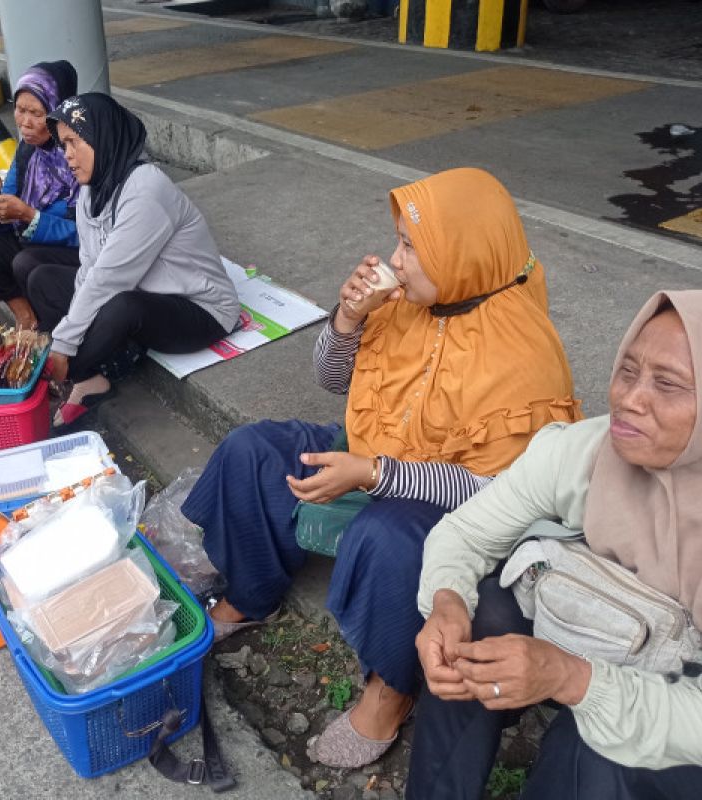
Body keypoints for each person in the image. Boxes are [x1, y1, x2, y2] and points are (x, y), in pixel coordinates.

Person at [180, 168, 584, 769]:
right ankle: (249, 593)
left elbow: (498, 490)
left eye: (411, 247)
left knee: (387, 537)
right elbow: (333, 380)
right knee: (253, 449)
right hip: (376, 450)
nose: (394, 259)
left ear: (460, 254)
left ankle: (389, 690)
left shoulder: (522, 356)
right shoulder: (407, 303)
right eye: (398, 240)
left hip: (455, 502)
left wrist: (376, 475)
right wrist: (347, 319)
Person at [407, 290, 702, 800]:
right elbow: (466, 532)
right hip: (621, 635)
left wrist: (571, 679)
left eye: (667, 384)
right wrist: (446, 601)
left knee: (594, 748)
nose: (628, 398)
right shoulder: (590, 452)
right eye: (628, 370)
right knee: (475, 633)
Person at [39, 93, 240, 428]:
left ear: (102, 135)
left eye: (74, 142)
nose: (68, 156)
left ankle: (65, 376)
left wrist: (63, 347)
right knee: (43, 278)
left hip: (200, 309)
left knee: (122, 306)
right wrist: (68, 337)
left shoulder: (147, 188)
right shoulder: (92, 188)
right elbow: (90, 266)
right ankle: (89, 377)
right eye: (63, 145)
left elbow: (110, 277)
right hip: (144, 293)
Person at [0, 60, 80, 330]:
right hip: (29, 238)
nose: (24, 122)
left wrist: (29, 216)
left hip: (71, 254)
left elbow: (86, 232)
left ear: (59, 111)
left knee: (26, 262)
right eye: (20, 110)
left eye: (36, 112)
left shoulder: (79, 154)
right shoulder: (28, 150)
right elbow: (9, 200)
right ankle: (25, 314)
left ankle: (55, 328)